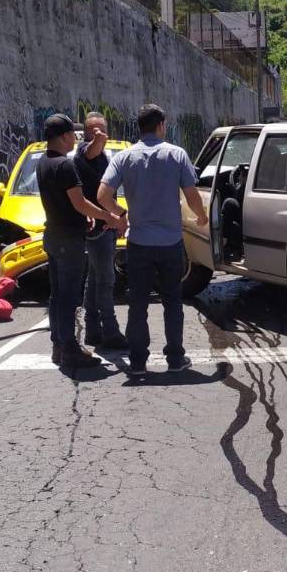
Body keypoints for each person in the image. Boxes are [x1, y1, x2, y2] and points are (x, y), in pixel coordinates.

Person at [97, 104, 208, 376]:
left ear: (139, 127)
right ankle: (175, 358)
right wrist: (202, 217)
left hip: (139, 243)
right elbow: (191, 194)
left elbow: (102, 195)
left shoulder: (124, 158)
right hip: (170, 243)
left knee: (138, 304)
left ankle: (137, 362)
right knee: (172, 301)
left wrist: (120, 215)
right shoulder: (177, 154)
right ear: (161, 126)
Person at [38, 113, 128, 369]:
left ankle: (59, 345)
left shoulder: (44, 162)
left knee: (57, 295)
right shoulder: (64, 165)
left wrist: (87, 217)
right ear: (65, 136)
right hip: (68, 239)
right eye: (72, 135)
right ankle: (68, 348)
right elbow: (80, 203)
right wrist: (110, 216)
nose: (73, 140)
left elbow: (69, 204)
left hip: (54, 234)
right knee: (68, 297)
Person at [73, 111, 129, 350]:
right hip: (96, 227)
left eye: (101, 128)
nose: (98, 133)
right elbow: (90, 150)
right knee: (106, 279)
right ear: (86, 133)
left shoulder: (102, 156)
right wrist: (98, 139)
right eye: (93, 129)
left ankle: (93, 329)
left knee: (95, 278)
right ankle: (111, 331)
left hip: (103, 225)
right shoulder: (85, 152)